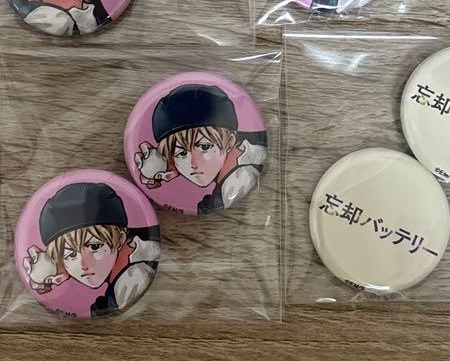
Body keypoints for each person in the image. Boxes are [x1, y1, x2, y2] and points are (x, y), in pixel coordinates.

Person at [22, 181, 160, 316]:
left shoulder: (130, 281)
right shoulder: (142, 248)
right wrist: (47, 272)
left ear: (120, 240)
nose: (84, 264)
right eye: (71, 255)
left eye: (95, 247)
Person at [134, 83, 267, 214]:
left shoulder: (236, 184)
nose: (193, 163)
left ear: (229, 142)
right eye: (182, 153)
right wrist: (159, 168)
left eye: (204, 147)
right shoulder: (253, 148)